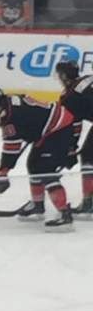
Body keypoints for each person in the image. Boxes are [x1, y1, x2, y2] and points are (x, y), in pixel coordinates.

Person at [0, 85, 76, 227]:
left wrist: (3, 170)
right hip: (53, 127)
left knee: (44, 170)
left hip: (58, 129)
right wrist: (31, 131)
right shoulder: (10, 100)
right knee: (34, 164)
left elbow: (11, 148)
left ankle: (64, 214)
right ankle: (37, 206)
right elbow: (30, 117)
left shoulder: (9, 116)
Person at [56, 60, 93, 216]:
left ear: (63, 75)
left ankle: (89, 203)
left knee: (88, 158)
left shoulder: (69, 97)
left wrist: (70, 149)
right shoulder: (88, 78)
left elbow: (73, 125)